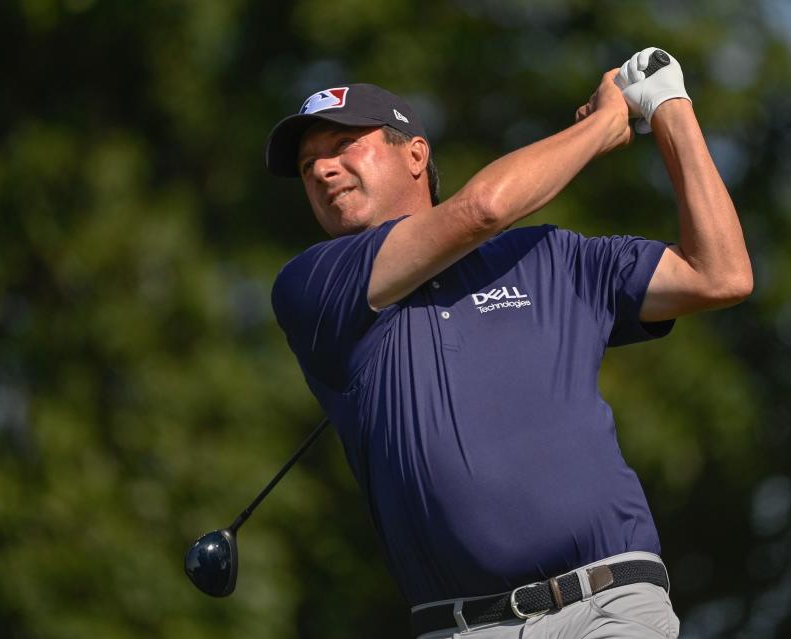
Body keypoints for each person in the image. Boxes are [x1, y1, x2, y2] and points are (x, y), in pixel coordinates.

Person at [264, 48, 752, 638]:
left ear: (415, 154)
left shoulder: (551, 256)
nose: (321, 170)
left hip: (610, 605)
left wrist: (669, 105)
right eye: (309, 163)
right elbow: (484, 209)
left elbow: (720, 274)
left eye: (343, 146)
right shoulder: (314, 285)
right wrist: (604, 124)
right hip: (464, 628)